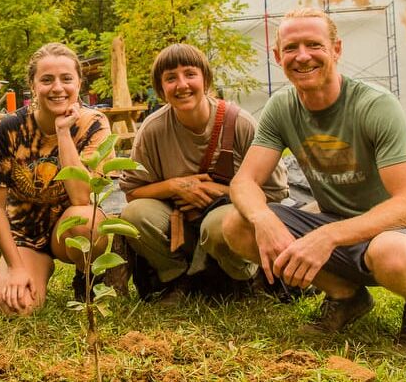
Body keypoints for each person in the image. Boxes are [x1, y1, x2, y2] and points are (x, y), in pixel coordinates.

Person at [223, 7, 406, 344]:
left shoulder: (374, 106)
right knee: (238, 225)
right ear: (276, 56)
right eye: (290, 48)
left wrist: (328, 236)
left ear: (336, 49)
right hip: (337, 225)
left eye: (314, 45)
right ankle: (346, 297)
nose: (302, 57)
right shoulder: (282, 107)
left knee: (391, 255)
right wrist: (263, 219)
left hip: (402, 234)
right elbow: (244, 182)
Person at [119, 43, 290, 303]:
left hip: (229, 223)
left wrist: (222, 193)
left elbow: (276, 192)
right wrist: (175, 186)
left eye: (190, 74)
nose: (182, 84)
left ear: (205, 80)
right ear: (161, 89)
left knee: (216, 223)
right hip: (180, 226)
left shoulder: (240, 124)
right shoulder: (153, 130)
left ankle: (243, 279)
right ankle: (178, 278)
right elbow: (133, 192)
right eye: (170, 78)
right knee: (134, 214)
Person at [0, 43, 111, 315]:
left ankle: (86, 275)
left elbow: (81, 198)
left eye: (66, 79)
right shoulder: (8, 129)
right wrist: (16, 267)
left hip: (69, 227)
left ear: (78, 82)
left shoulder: (94, 124)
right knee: (17, 309)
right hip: (25, 234)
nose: (57, 88)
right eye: (47, 80)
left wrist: (63, 133)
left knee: (88, 221)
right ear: (33, 85)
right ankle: (32, 267)